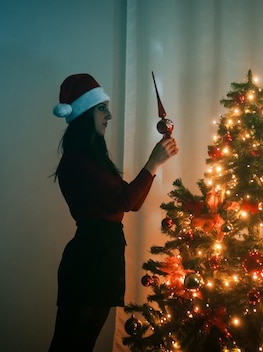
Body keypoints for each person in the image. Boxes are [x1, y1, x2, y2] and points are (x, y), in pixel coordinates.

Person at [48, 73, 178, 351]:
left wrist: (153, 167)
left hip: (104, 260)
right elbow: (126, 200)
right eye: (101, 108)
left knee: (82, 345)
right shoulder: (77, 162)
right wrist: (153, 163)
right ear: (84, 113)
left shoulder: (95, 159)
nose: (109, 115)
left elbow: (133, 201)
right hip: (88, 262)